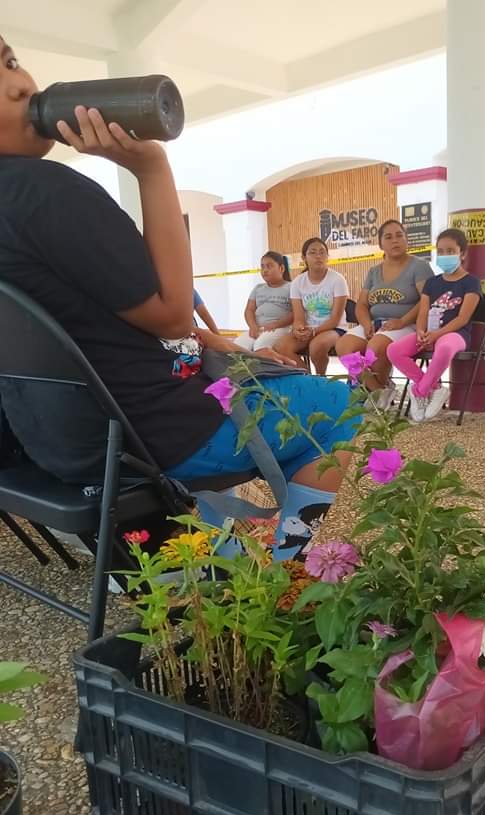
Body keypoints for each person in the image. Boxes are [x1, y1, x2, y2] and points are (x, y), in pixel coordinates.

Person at [0, 37, 356, 560]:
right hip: (147, 440)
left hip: (57, 442)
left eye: (10, 60)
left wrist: (210, 339)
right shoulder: (45, 192)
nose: (21, 83)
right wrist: (152, 168)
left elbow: (87, 324)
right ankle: (289, 565)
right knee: (339, 405)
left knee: (227, 380)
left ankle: (217, 551)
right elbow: (169, 315)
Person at [336, 219, 433, 407]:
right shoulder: (373, 272)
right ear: (381, 244)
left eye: (399, 235)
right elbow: (362, 305)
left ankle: (374, 396)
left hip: (408, 324)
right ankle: (379, 389)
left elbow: (426, 300)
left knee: (375, 346)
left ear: (407, 240)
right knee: (344, 346)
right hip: (376, 324)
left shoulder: (419, 266)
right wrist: (365, 324)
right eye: (388, 237)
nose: (394, 240)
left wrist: (402, 321)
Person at [387, 228, 481, 423]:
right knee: (394, 350)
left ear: (462, 254)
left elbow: (463, 318)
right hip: (429, 332)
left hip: (456, 333)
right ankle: (435, 389)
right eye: (441, 251)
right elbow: (423, 312)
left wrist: (437, 335)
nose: (445, 255)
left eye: (450, 251)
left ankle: (419, 391)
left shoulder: (471, 283)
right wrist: (421, 332)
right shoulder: (432, 283)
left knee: (444, 348)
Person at [275, 238, 349, 375]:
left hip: (335, 329)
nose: (318, 256)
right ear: (304, 258)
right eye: (313, 252)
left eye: (322, 252)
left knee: (317, 346)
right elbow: (298, 317)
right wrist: (298, 329)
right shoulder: (298, 282)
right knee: (281, 346)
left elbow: (335, 319)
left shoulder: (337, 280)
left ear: (327, 257)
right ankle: (308, 379)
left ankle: (321, 377)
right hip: (309, 330)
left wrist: (314, 332)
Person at [234, 251, 293, 351]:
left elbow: (295, 313)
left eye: (269, 266)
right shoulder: (258, 288)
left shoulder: (291, 287)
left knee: (260, 346)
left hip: (280, 328)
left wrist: (276, 324)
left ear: (281, 268)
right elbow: (249, 310)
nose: (265, 270)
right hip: (258, 329)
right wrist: (253, 326)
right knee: (237, 348)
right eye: (262, 267)